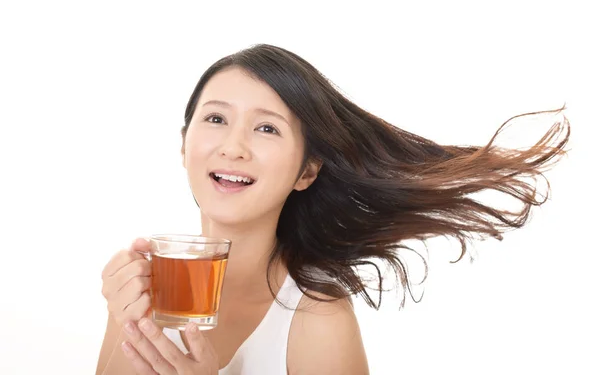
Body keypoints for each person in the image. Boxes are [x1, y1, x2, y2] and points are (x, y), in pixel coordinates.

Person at [95, 44, 570, 375]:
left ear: (307, 171)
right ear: (184, 146)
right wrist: (130, 321)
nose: (233, 147)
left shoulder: (316, 319)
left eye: (267, 129)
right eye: (216, 118)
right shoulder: (143, 289)